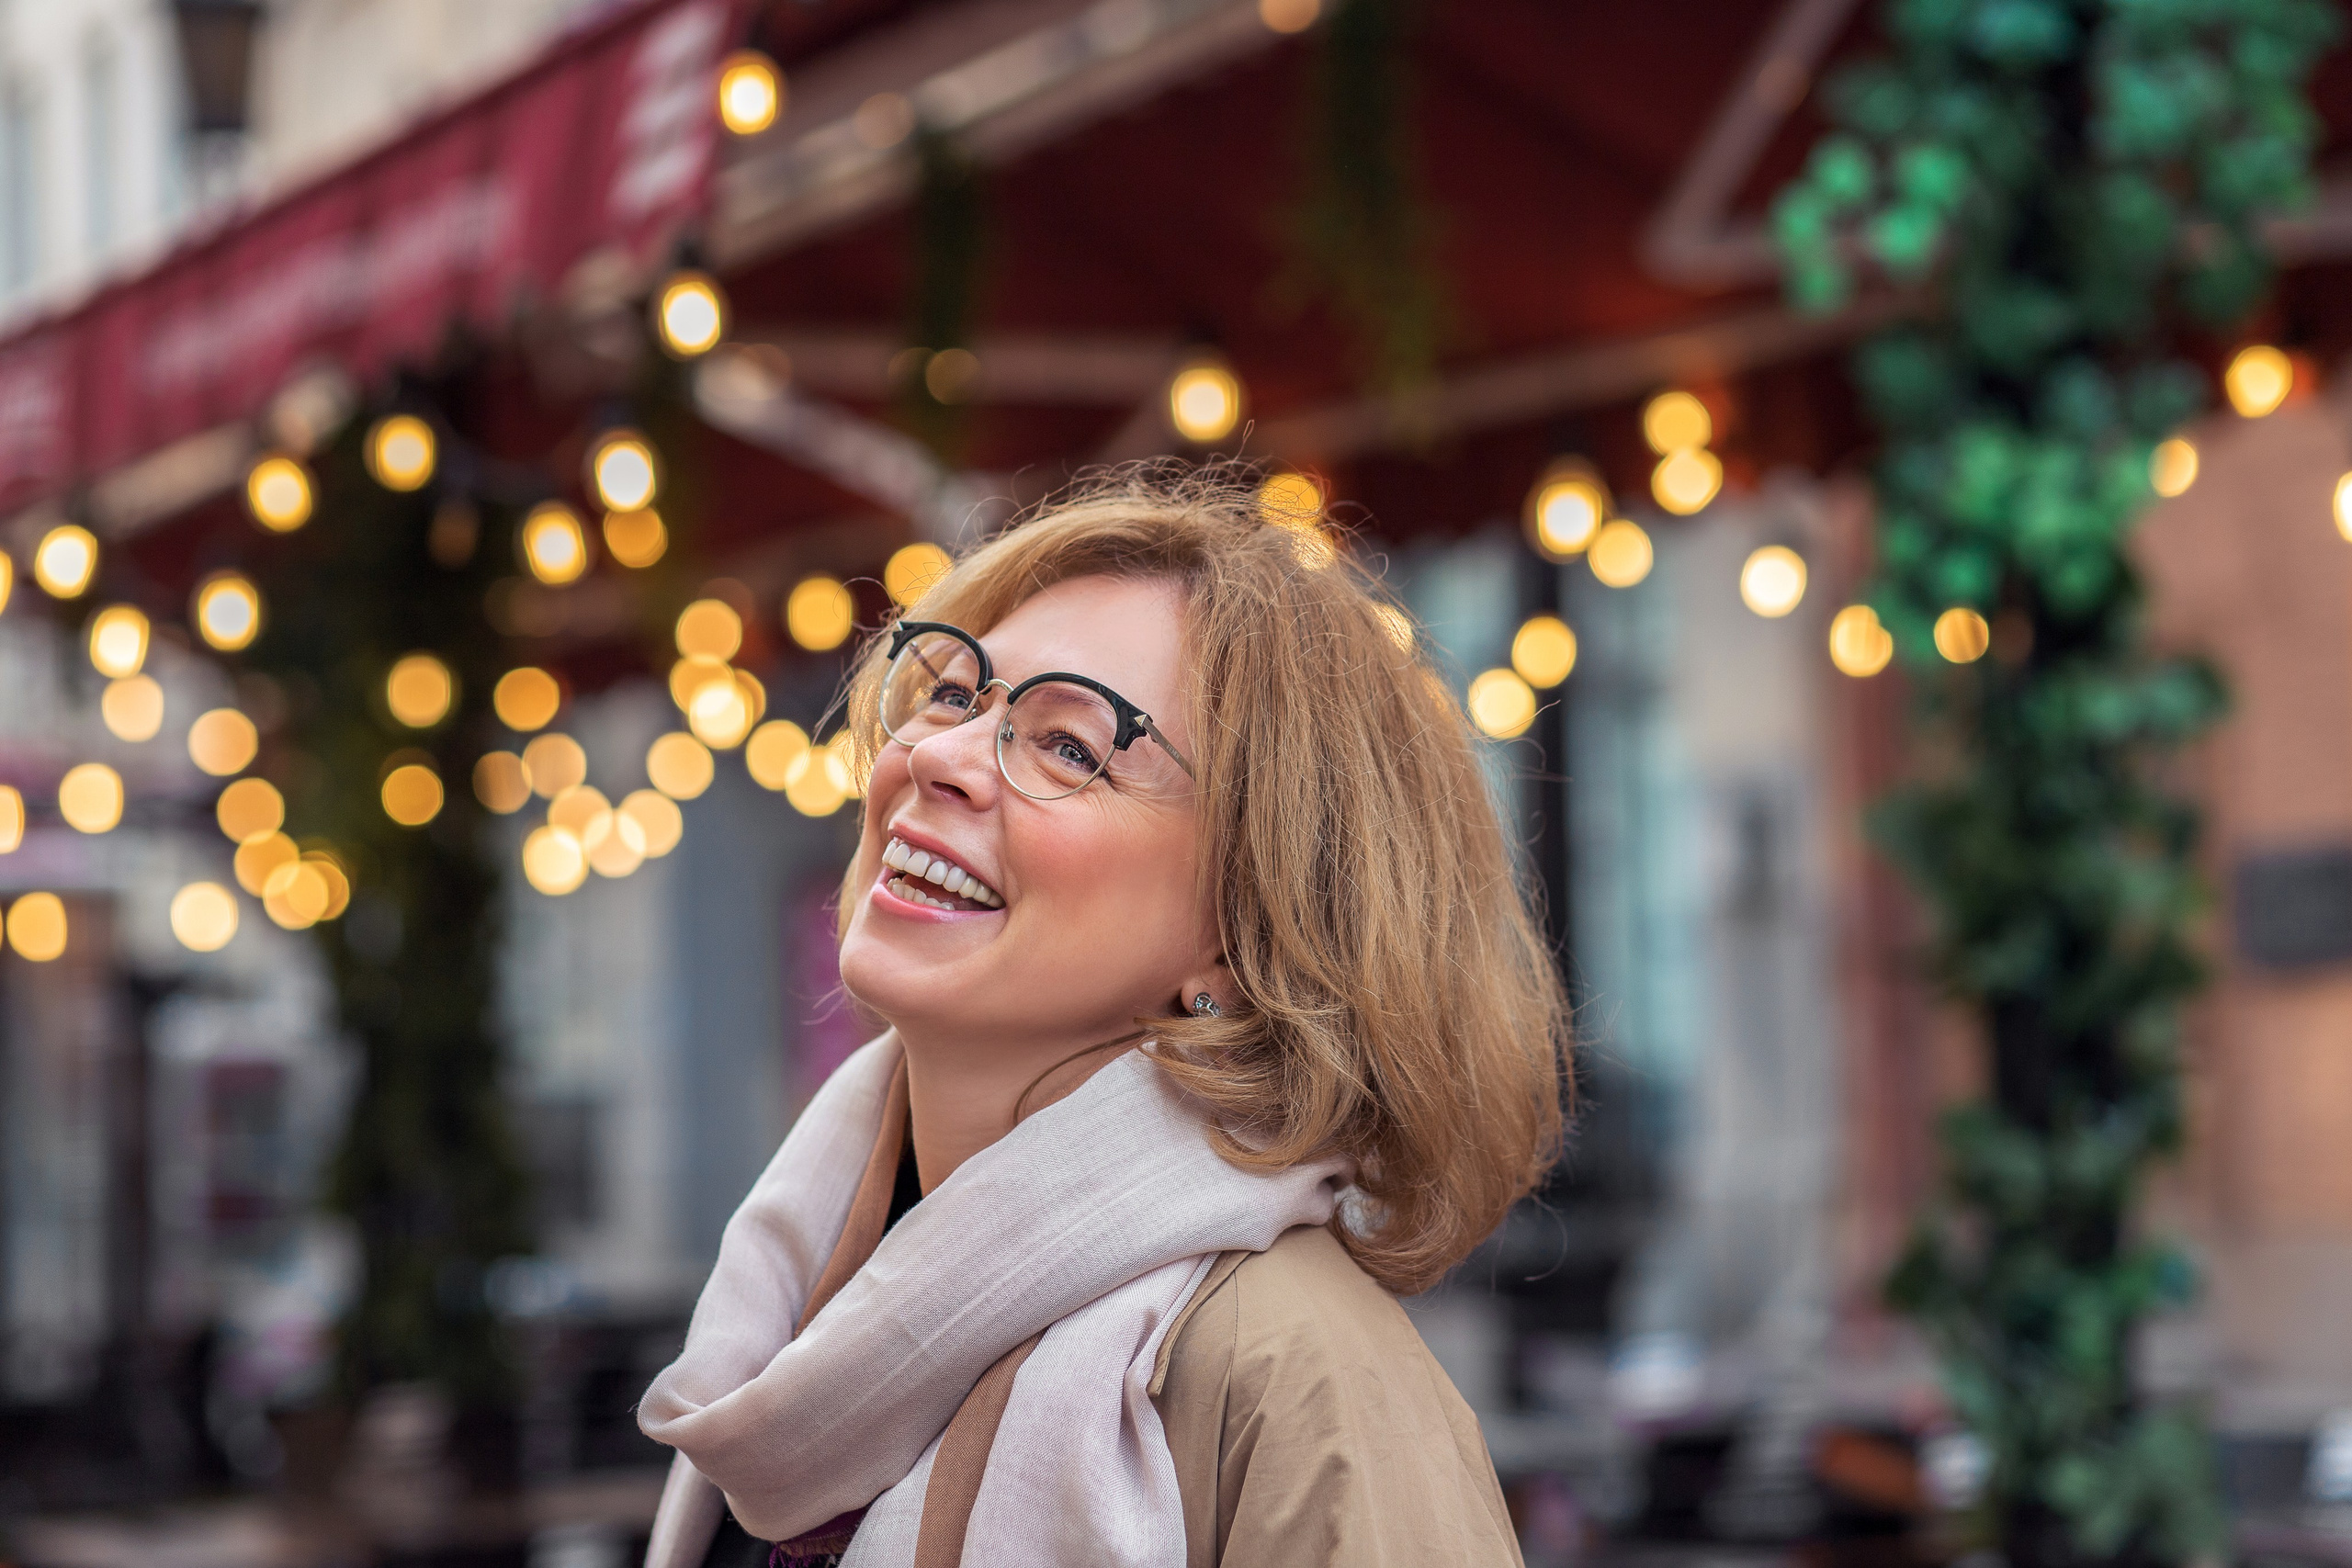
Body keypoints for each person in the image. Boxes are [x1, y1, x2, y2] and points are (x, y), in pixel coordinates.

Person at [639, 466, 1570, 1568]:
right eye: (953, 695)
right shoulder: (788, 1320)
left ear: (1243, 936)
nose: (938, 758)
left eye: (1069, 747)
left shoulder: (1298, 1384)